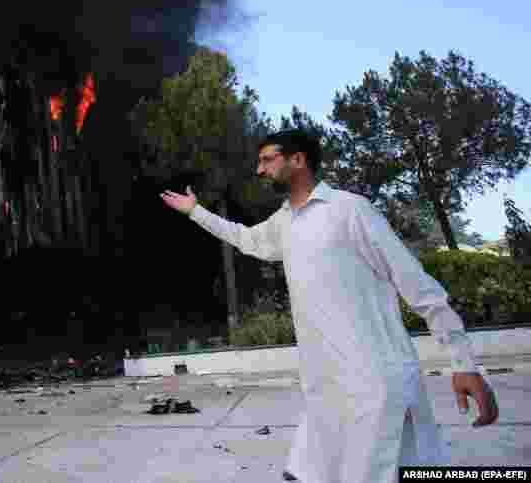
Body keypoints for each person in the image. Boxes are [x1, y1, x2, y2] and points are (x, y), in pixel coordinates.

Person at [160, 129, 499, 482]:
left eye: (267, 160)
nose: (259, 170)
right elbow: (246, 240)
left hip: (374, 387)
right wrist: (195, 212)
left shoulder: (350, 210)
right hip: (325, 391)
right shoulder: (284, 221)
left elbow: (417, 285)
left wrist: (464, 363)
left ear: (298, 160)